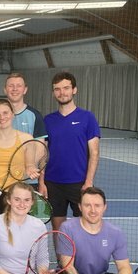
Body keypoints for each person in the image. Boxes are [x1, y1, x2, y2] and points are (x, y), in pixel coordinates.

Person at [40, 72, 101, 232]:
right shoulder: (47, 120)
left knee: (84, 227)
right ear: (53, 92)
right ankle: (63, 259)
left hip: (79, 184)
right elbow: (43, 154)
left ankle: (82, 258)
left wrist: (88, 182)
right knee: (57, 228)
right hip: (53, 184)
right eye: (57, 89)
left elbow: (94, 153)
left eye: (66, 88)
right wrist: (42, 182)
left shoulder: (88, 117)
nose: (62, 92)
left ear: (74, 90)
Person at [0, 99, 36, 219]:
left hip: (16, 192)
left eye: (5, 113)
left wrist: (31, 170)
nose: (1, 117)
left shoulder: (27, 139)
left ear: (12, 114)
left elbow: (30, 165)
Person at [2, 72, 47, 139]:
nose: (15, 89)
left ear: (25, 90)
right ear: (5, 90)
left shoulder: (35, 115)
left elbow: (41, 146)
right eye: (11, 86)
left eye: (19, 86)